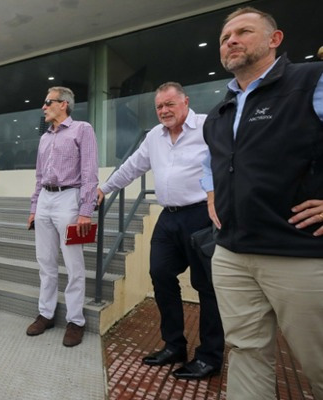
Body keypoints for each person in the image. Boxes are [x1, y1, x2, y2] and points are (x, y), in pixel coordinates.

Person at [200, 7, 323, 398]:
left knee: (318, 363)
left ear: (275, 39)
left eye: (243, 32)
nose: (231, 40)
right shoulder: (219, 112)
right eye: (224, 37)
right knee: (247, 353)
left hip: (300, 254)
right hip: (232, 255)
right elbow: (213, 161)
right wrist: (211, 191)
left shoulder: (312, 82)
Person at [98, 82, 223, 379]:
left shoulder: (208, 126)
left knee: (207, 287)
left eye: (170, 104)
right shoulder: (154, 136)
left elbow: (231, 161)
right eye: (159, 107)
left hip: (201, 216)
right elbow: (132, 167)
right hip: (169, 218)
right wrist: (104, 188)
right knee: (160, 274)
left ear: (185, 102)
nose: (164, 111)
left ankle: (209, 357)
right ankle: (174, 345)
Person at [26, 86, 98, 347]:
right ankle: (46, 314)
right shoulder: (44, 138)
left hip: (70, 197)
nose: (44, 107)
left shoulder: (82, 129)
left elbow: (90, 172)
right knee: (45, 261)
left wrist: (85, 211)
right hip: (45, 198)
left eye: (48, 102)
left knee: (73, 264)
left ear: (63, 104)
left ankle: (75, 320)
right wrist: (34, 208)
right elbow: (38, 176)